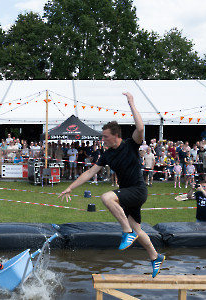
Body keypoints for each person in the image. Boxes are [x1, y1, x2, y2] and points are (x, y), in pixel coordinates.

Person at [59, 92, 165, 278]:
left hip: (138, 190)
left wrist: (131, 103)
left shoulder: (130, 144)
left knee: (106, 197)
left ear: (115, 135)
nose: (103, 139)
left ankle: (126, 231)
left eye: (105, 136)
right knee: (140, 231)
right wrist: (71, 187)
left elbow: (140, 128)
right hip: (127, 194)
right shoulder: (107, 154)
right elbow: (90, 172)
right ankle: (155, 257)